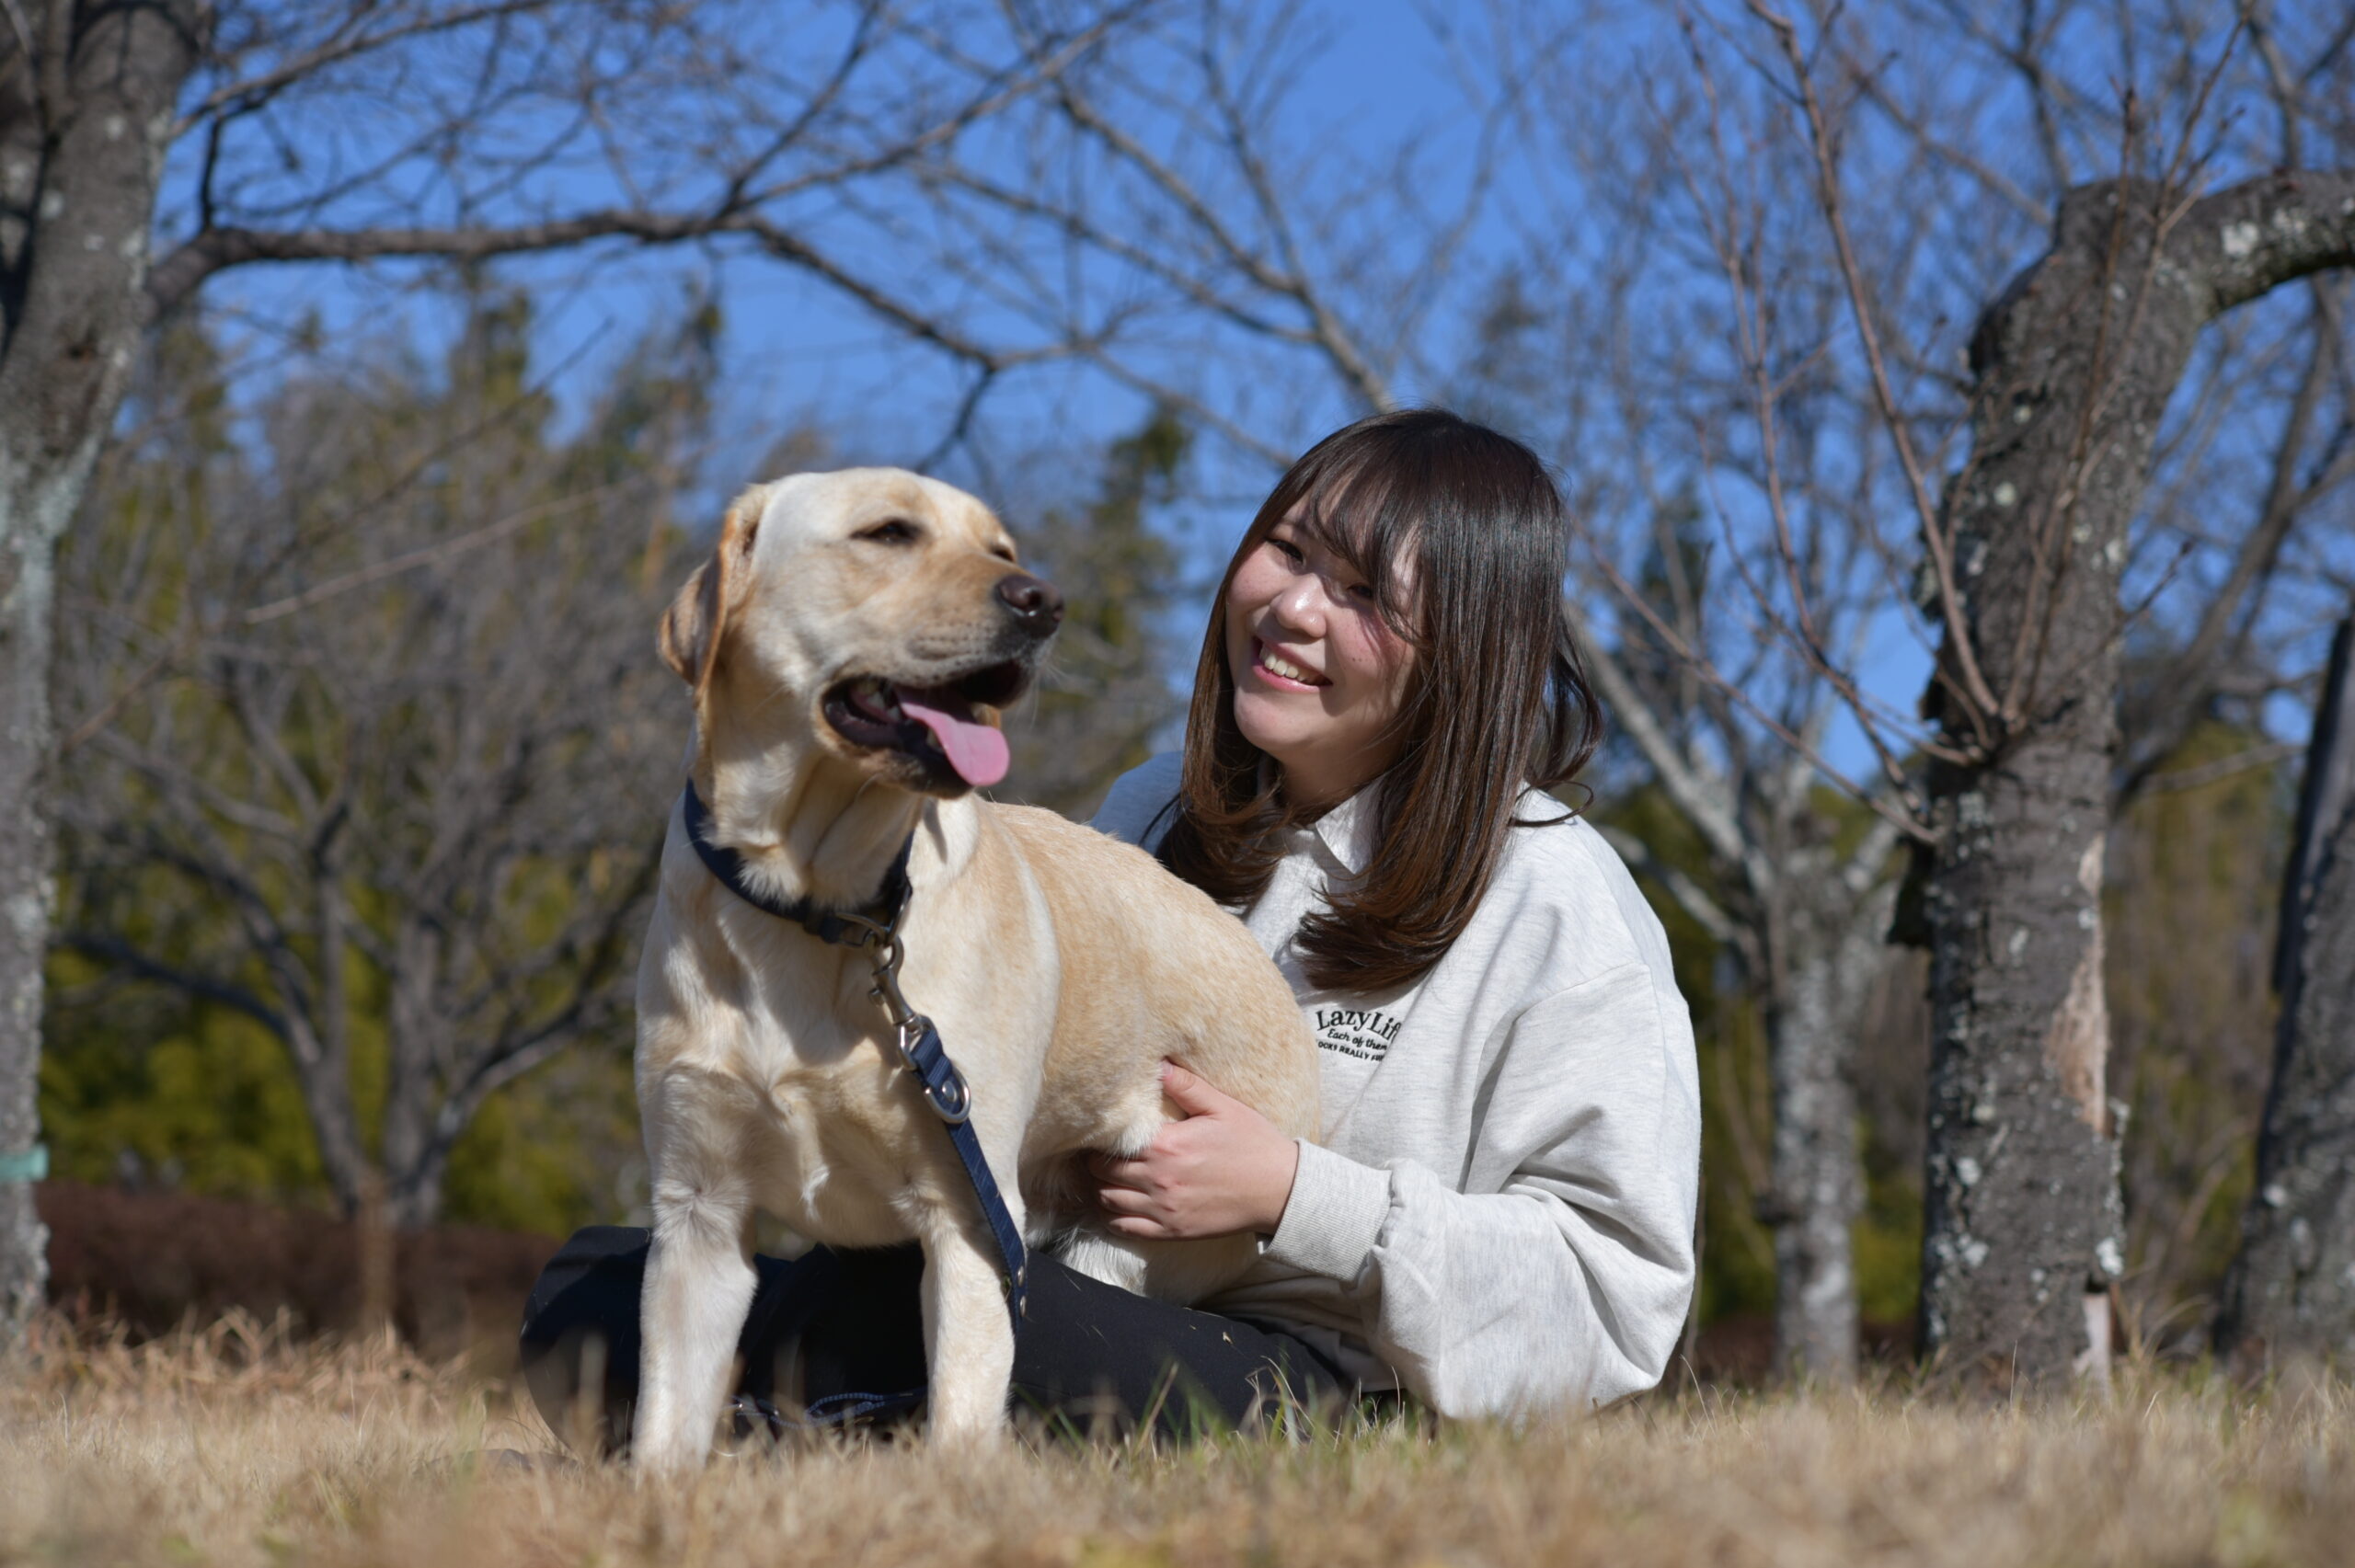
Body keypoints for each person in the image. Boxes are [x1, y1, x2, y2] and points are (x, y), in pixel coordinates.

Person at [518, 408, 1699, 1445]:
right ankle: (813, 1414)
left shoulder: (1559, 902)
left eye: (1364, 597)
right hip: (1065, 1288)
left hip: (1323, 1373)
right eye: (1285, 551)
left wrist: (1296, 1195)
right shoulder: (1154, 808)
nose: (1291, 608)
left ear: (1467, 658)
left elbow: (1614, 1303)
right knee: (587, 1293)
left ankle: (811, 1419)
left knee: (999, 1349)